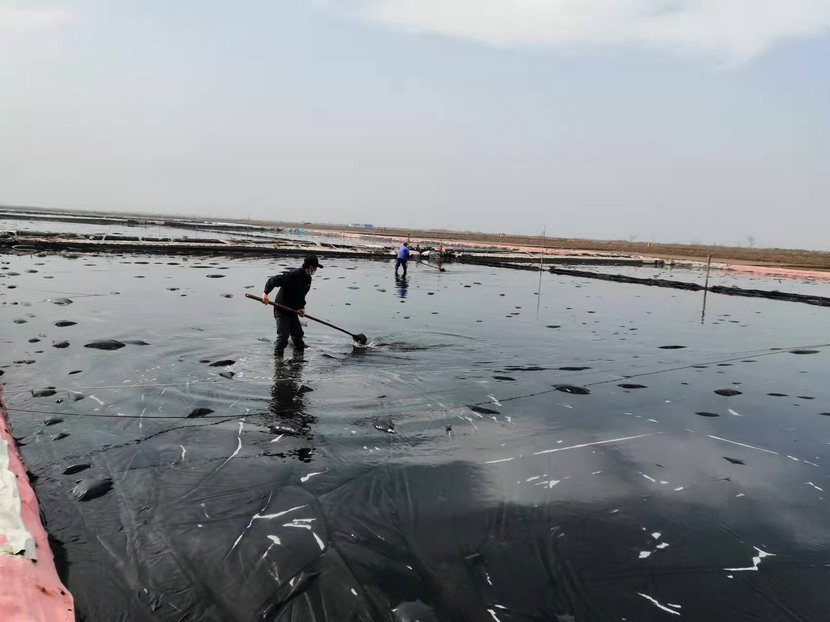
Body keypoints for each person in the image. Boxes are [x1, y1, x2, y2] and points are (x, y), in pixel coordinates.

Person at [262, 255, 322, 356]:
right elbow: (273, 280)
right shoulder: (293, 275)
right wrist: (265, 293)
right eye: (315, 268)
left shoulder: (308, 279)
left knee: (298, 336)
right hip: (281, 308)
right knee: (283, 337)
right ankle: (278, 360)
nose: (315, 270)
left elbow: (301, 295)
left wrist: (301, 307)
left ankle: (298, 360)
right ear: (310, 267)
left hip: (293, 310)